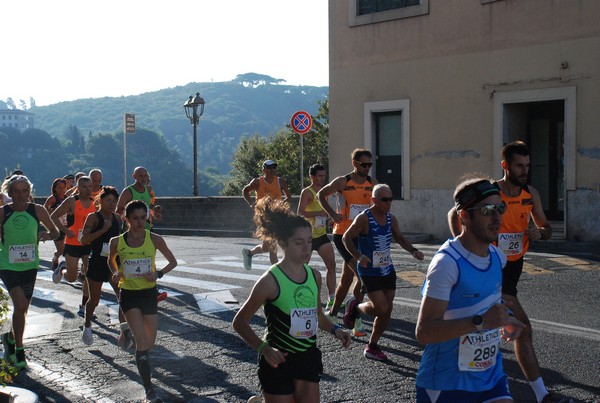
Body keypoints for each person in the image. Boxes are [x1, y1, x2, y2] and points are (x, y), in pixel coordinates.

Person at [447, 142, 568, 403]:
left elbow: (546, 228)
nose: (524, 171)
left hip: (513, 267)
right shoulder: (490, 191)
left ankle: (467, 379)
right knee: (523, 329)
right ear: (505, 166)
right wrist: (465, 250)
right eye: (519, 166)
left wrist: (539, 233)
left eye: (527, 166)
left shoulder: (530, 194)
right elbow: (453, 213)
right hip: (490, 266)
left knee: (486, 328)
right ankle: (541, 396)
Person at [416, 176, 524, 402]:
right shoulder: (447, 264)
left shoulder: (498, 257)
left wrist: (506, 318)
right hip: (447, 384)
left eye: (500, 208)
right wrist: (482, 322)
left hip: (491, 378)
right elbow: (424, 332)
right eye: (487, 210)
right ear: (464, 216)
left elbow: (488, 304)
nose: (497, 218)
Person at [232, 197, 351, 402]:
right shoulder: (270, 281)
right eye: (299, 242)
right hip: (278, 358)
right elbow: (239, 322)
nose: (306, 248)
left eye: (309, 241)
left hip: (306, 357)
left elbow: (317, 316)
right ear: (283, 243)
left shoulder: (314, 276)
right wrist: (265, 349)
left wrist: (336, 330)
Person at [342, 184, 425, 361]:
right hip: (369, 270)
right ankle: (355, 307)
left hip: (387, 268)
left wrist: (413, 251)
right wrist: (358, 257)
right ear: (374, 200)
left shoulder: (390, 218)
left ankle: (372, 346)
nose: (388, 203)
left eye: (390, 199)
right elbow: (346, 238)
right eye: (384, 200)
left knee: (387, 310)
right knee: (381, 307)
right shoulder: (364, 219)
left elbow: (399, 237)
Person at [108, 200, 177, 403]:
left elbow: (173, 261)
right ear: (126, 219)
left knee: (150, 343)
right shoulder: (116, 241)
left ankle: (126, 330)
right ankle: (149, 391)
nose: (140, 222)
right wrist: (115, 272)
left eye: (143, 217)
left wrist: (158, 274)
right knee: (142, 343)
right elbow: (110, 259)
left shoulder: (155, 239)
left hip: (148, 294)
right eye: (135, 218)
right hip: (128, 294)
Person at [317, 148, 378, 337]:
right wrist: (332, 214)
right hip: (343, 235)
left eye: (370, 164)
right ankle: (356, 319)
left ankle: (333, 314)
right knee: (361, 276)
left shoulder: (372, 183)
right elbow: (321, 195)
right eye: (364, 164)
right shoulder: (343, 181)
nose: (367, 168)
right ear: (355, 163)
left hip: (362, 236)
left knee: (346, 279)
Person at [0, 175, 59, 371]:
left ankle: (9, 337)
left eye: (24, 191)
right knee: (21, 304)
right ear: (10, 193)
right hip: (7, 265)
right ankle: (19, 349)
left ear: (29, 192)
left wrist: (46, 234)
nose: (21, 195)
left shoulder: (37, 210)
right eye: (16, 191)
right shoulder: (3, 213)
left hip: (30, 266)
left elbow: (56, 232)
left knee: (22, 310)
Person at [79, 186, 124, 346]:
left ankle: (124, 331)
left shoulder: (118, 218)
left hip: (114, 262)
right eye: (108, 200)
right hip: (97, 262)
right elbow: (83, 240)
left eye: (114, 201)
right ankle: (87, 324)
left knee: (122, 297)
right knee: (94, 300)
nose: (111, 204)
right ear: (100, 200)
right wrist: (103, 229)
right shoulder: (93, 217)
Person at [50, 175, 96, 318]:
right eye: (84, 187)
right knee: (71, 278)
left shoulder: (95, 203)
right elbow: (54, 216)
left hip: (88, 243)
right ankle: (61, 268)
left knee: (89, 276)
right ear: (78, 187)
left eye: (90, 187)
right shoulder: (71, 201)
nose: (88, 190)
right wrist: (65, 231)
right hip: (72, 243)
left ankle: (83, 306)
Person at [297, 164, 337, 310]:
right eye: (319, 176)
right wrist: (316, 214)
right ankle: (299, 296)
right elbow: (300, 213)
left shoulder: (324, 192)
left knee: (331, 265)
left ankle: (332, 299)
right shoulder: (307, 192)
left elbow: (325, 212)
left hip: (321, 235)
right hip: (307, 237)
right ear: (312, 177)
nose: (322, 178)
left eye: (324, 175)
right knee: (301, 269)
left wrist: (329, 219)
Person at [241, 160, 291, 270]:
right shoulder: (257, 182)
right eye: (269, 168)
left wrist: (281, 206)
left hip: (277, 216)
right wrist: (252, 204)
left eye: (274, 167)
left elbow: (288, 196)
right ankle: (278, 273)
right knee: (272, 245)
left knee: (266, 247)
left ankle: (249, 253)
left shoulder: (280, 181)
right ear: (264, 170)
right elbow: (245, 191)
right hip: (264, 217)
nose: (272, 170)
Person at [116, 166, 162, 231]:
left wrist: (156, 214)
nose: (143, 178)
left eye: (145, 176)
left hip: (147, 228)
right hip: (130, 229)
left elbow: (150, 207)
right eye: (140, 176)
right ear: (134, 176)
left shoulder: (149, 190)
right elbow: (118, 210)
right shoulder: (127, 191)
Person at [44, 178, 68, 270]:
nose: (61, 190)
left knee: (68, 249)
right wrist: (53, 211)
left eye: (63, 187)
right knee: (61, 250)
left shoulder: (67, 199)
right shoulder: (53, 198)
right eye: (59, 188)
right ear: (55, 188)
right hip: (57, 227)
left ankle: (68, 265)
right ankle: (55, 257)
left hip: (66, 226)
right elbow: (44, 209)